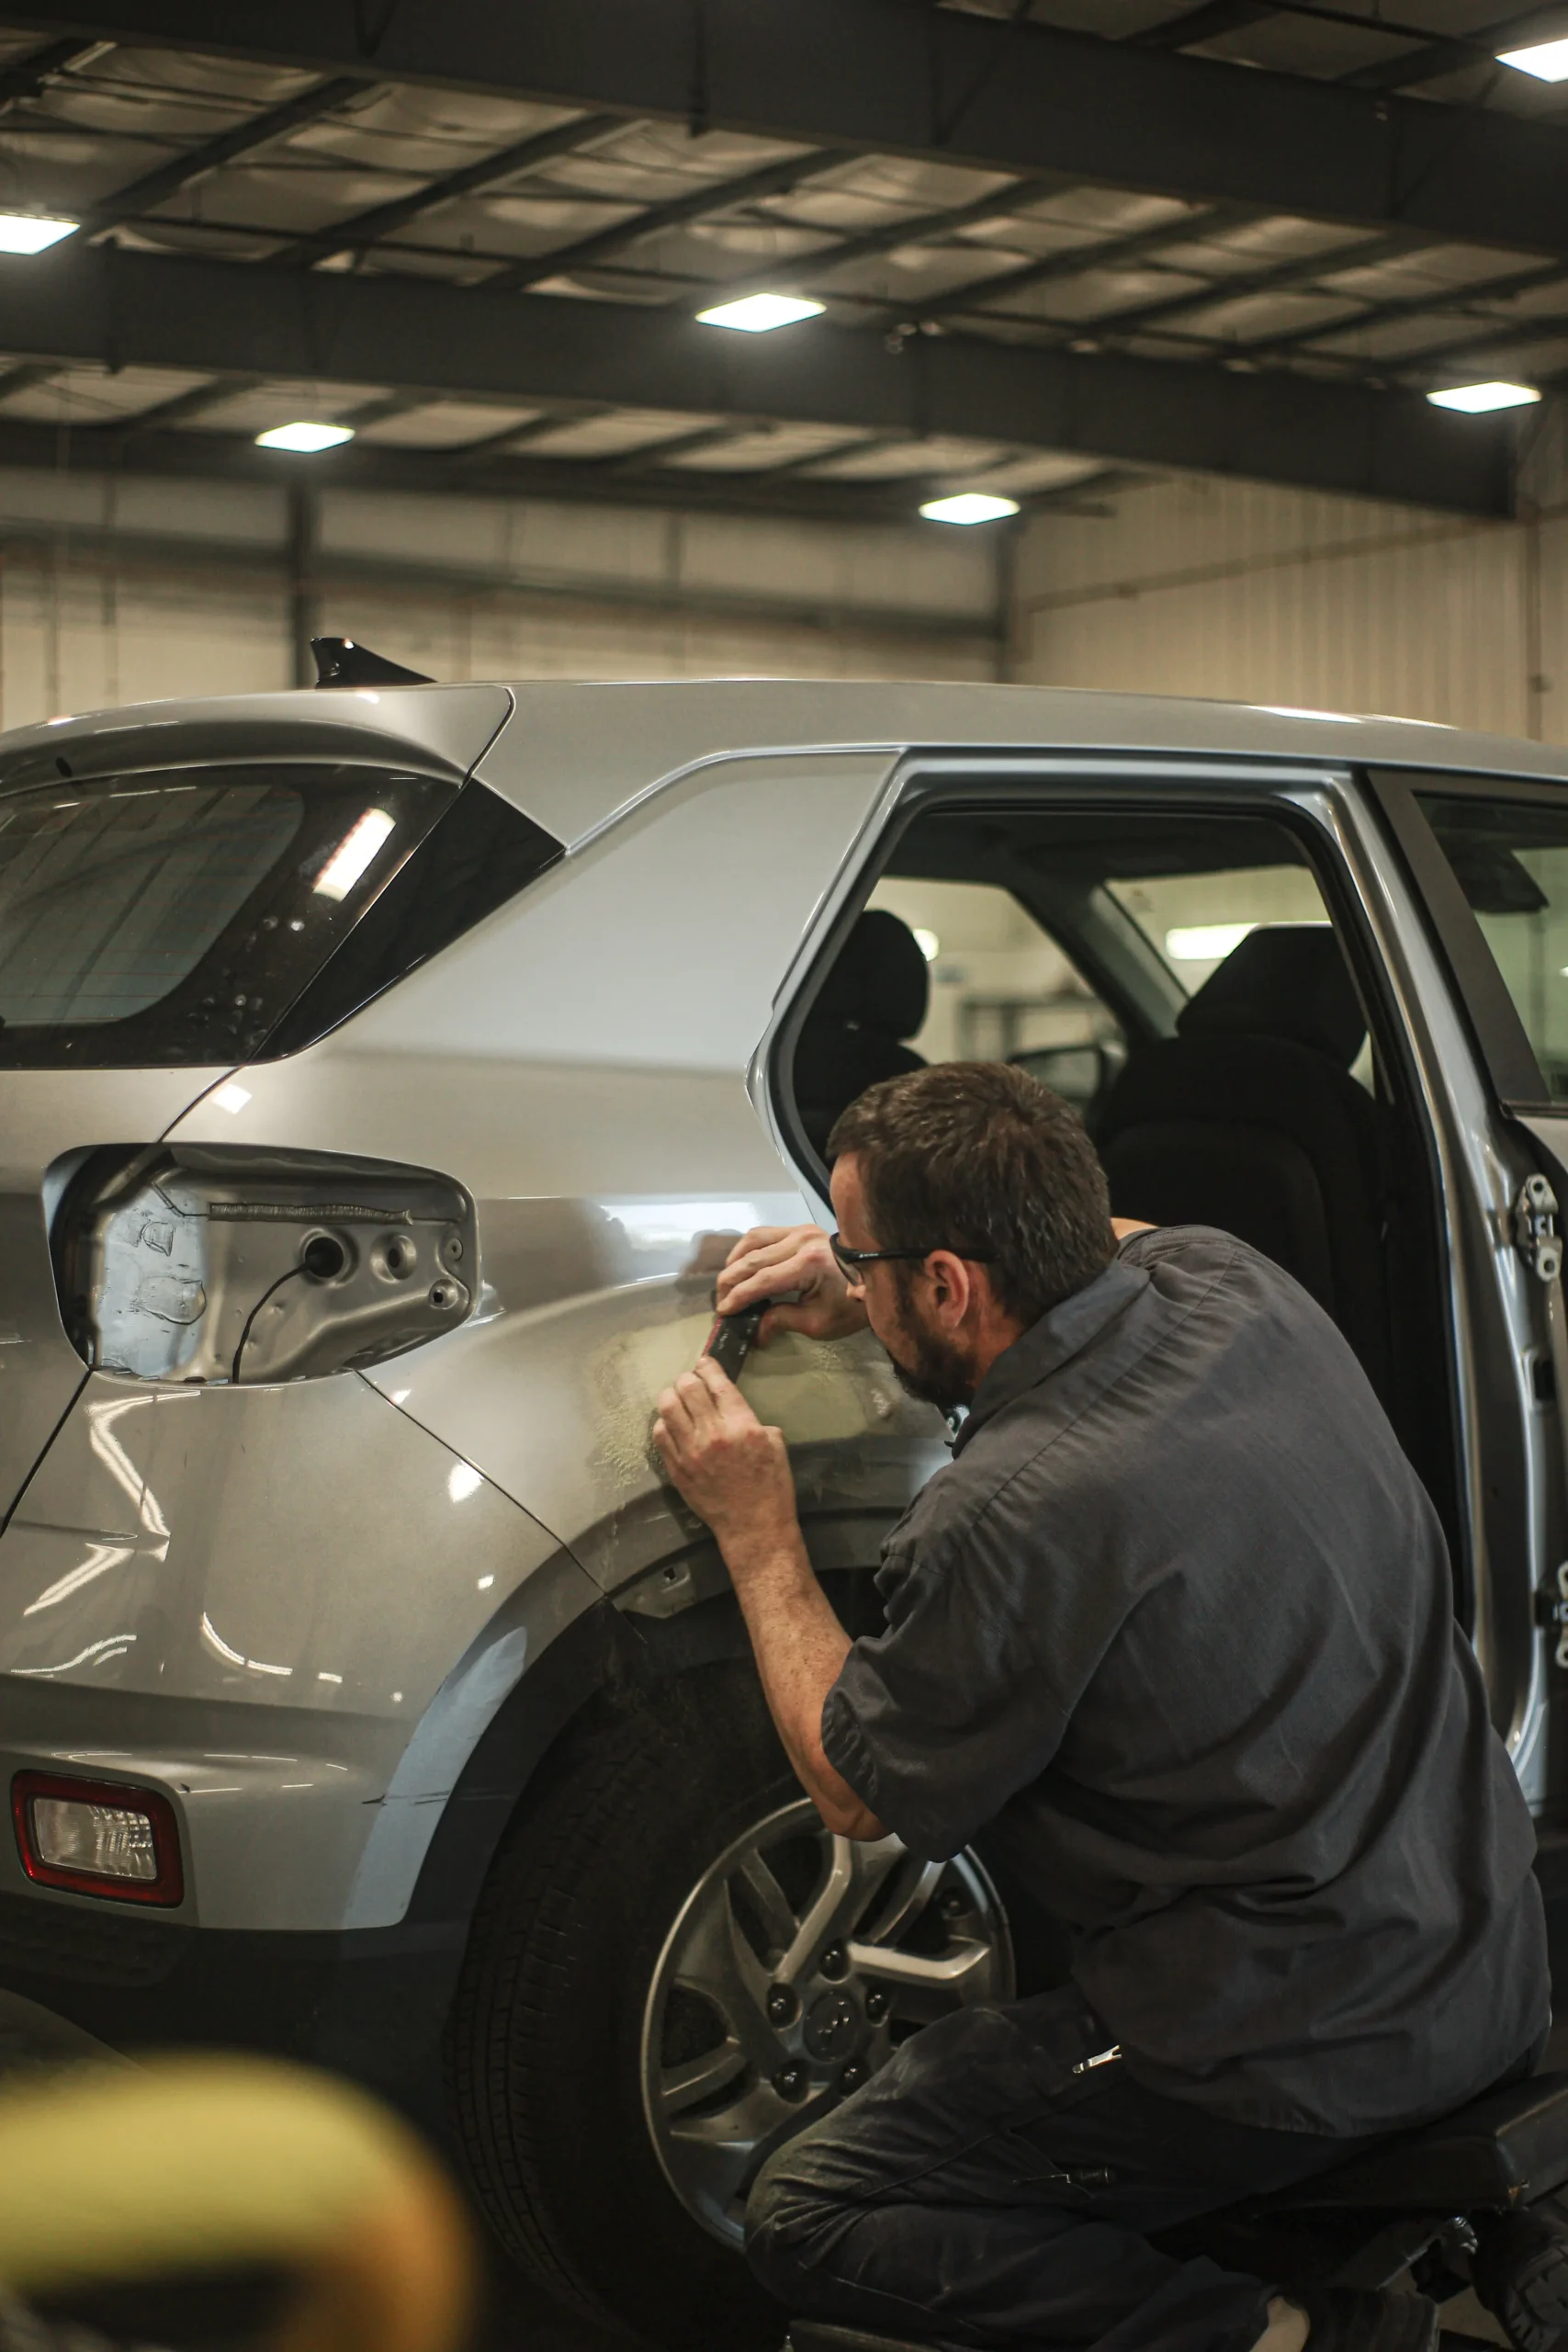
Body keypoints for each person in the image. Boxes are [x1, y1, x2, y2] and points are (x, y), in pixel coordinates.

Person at [650, 1061, 1551, 2352]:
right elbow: (1112, 1241)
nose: (846, 1275)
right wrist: (863, 1289)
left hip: (1284, 2045)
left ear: (949, 1283)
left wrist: (755, 1525)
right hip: (1488, 1958)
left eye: (862, 1257)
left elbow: (855, 1794)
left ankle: (1304, 2337)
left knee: (813, 2209)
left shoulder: (1007, 1513)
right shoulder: (1233, 1281)